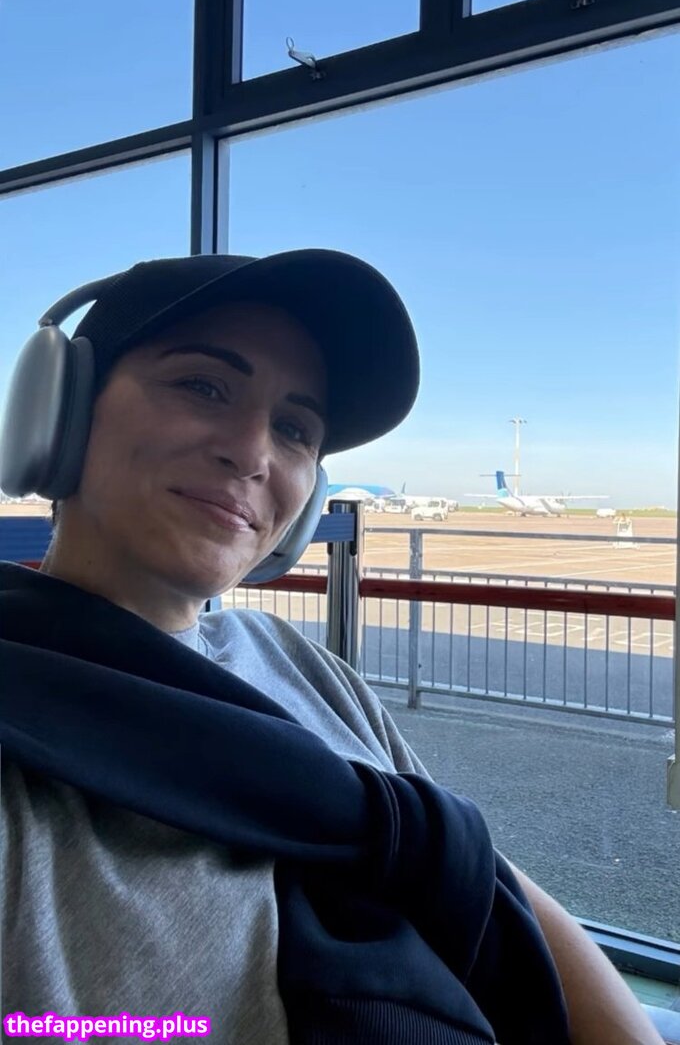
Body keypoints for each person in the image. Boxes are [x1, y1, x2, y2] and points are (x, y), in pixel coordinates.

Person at [0, 251, 661, 1045]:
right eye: (203, 386)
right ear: (58, 414)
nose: (253, 454)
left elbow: (472, 869)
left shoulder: (303, 664)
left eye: (294, 429)